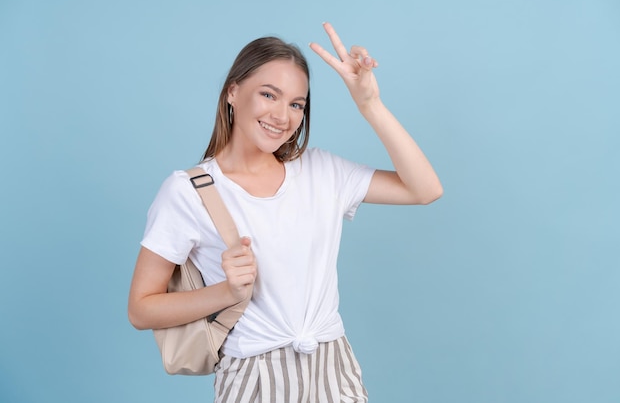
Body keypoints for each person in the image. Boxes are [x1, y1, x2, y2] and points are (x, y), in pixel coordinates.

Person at [128, 22, 443, 402]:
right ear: (233, 92)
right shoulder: (187, 191)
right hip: (254, 376)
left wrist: (369, 104)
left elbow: (425, 189)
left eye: (296, 104)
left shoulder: (322, 171)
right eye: (268, 95)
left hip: (334, 366)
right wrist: (226, 292)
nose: (282, 116)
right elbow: (141, 309)